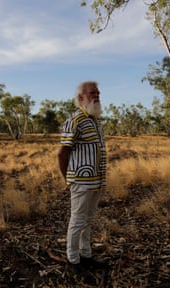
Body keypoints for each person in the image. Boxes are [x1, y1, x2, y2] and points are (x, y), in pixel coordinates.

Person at [57, 81, 107, 273]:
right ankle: (73, 261)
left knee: (88, 220)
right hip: (81, 181)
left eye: (98, 92)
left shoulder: (95, 121)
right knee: (77, 220)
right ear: (80, 98)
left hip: (96, 181)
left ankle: (86, 256)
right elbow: (62, 153)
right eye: (92, 93)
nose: (97, 95)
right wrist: (67, 179)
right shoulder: (75, 121)